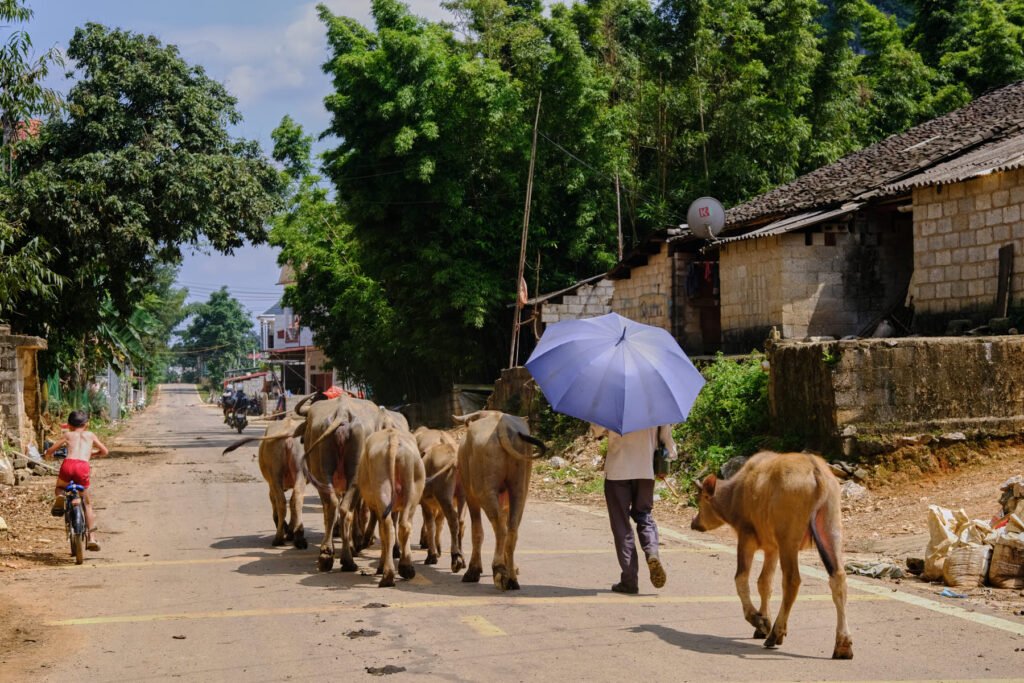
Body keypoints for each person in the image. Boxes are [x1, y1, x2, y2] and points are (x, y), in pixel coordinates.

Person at [594, 423, 677, 595]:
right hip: (645, 470)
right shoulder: (656, 402)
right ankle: (652, 551)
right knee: (644, 515)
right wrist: (668, 458)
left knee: (621, 525)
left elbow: (597, 430)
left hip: (618, 471)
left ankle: (630, 580)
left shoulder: (612, 400)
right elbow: (666, 438)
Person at [44, 411, 109, 552]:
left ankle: (60, 497)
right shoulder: (90, 435)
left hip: (68, 464)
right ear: (86, 424)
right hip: (82, 467)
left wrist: (49, 455)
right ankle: (92, 538)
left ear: (68, 425)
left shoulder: (67, 435)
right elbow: (105, 451)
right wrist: (94, 454)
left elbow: (50, 450)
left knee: (60, 487)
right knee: (87, 504)